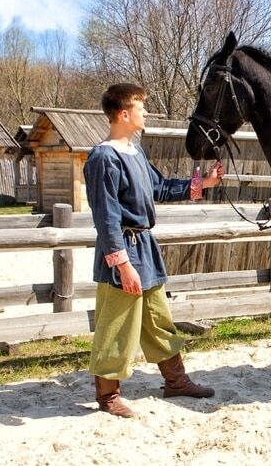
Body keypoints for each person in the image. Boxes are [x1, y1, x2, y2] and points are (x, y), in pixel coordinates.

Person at [84, 83, 224, 417]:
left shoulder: (134, 151)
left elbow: (158, 187)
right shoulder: (105, 157)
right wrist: (122, 265)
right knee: (116, 323)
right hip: (123, 252)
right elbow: (106, 217)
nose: (145, 112)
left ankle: (176, 381)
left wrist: (201, 184)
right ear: (123, 113)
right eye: (140, 108)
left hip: (145, 249)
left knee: (158, 318)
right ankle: (107, 396)